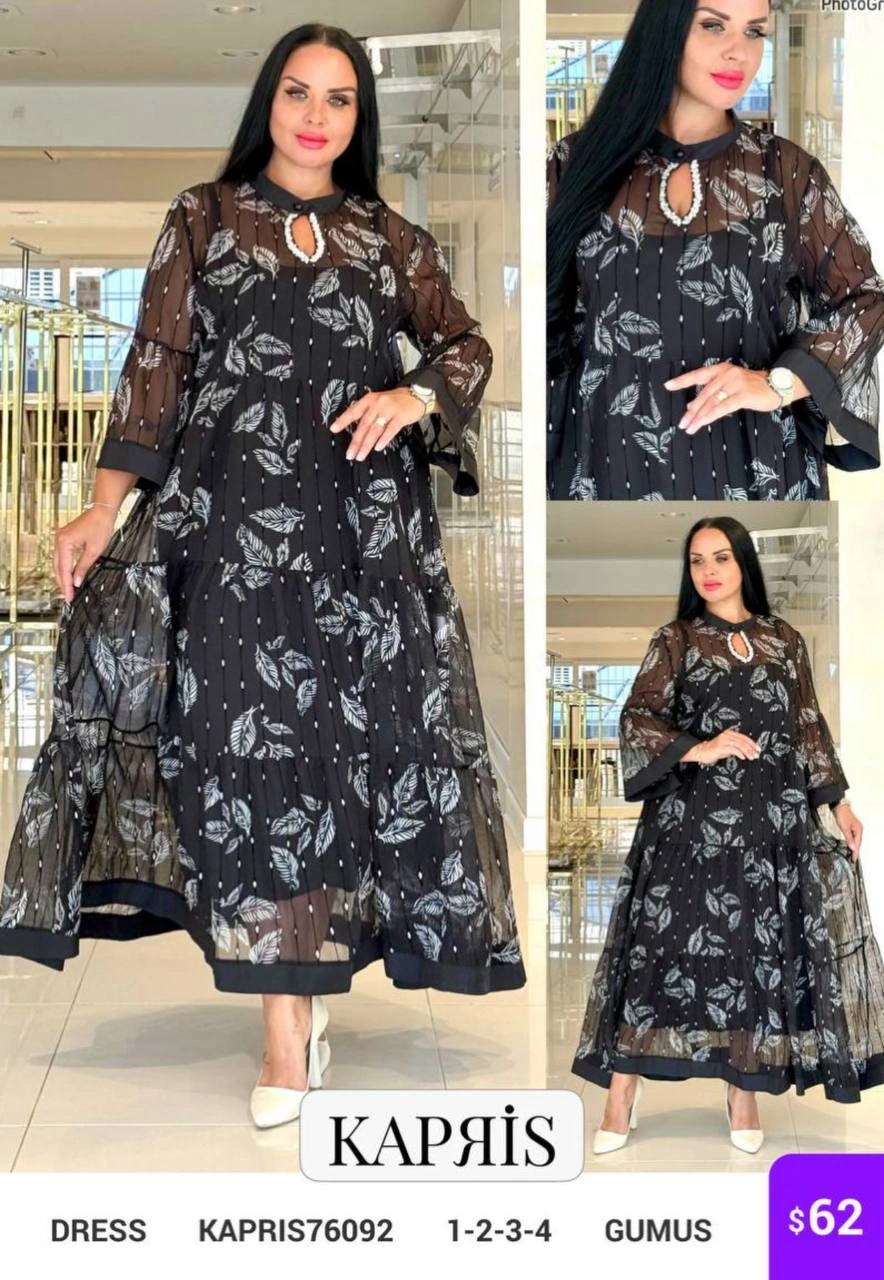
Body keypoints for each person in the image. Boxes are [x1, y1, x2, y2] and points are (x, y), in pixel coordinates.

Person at [0, 24, 525, 1130]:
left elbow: (467, 348)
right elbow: (155, 368)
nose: (316, 116)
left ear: (358, 118)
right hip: (229, 534)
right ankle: (288, 1014)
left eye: (339, 98)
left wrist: (413, 395)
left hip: (360, 542)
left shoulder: (389, 238)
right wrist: (103, 505)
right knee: (241, 748)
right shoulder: (201, 218)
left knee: (335, 757)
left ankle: (297, 996)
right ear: (268, 102)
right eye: (297, 91)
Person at [572, 516, 884, 1154]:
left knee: (750, 953)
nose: (708, 571)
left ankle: (743, 1091)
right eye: (696, 561)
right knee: (659, 949)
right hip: (689, 826)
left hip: (769, 825)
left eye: (720, 557)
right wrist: (701, 747)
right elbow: (638, 717)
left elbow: (807, 725)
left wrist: (838, 802)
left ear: (744, 562)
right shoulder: (678, 639)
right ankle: (621, 1094)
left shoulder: (783, 639)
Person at [546, 0, 884, 501]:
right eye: (713, 25)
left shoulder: (787, 174)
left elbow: (864, 299)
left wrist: (778, 383)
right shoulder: (573, 166)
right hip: (606, 466)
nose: (738, 52)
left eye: (754, 32)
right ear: (665, 29)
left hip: (757, 468)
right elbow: (546, 326)